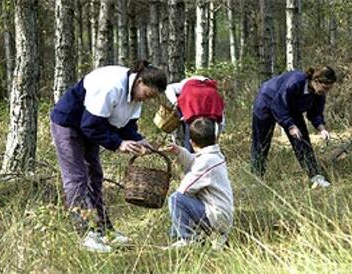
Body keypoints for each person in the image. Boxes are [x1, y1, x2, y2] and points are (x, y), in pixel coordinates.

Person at [50, 60, 167, 253]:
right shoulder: (112, 86)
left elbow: (128, 127)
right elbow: (90, 125)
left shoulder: (135, 97)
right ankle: (85, 233)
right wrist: (118, 144)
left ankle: (105, 231)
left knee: (95, 175)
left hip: (91, 126)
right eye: (147, 94)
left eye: (150, 98)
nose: (145, 100)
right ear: (139, 82)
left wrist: (140, 141)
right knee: (77, 178)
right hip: (69, 123)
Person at [251, 66, 337, 188]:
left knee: (302, 141)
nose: (326, 91)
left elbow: (315, 113)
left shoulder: (319, 93)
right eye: (325, 88)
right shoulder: (295, 82)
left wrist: (322, 129)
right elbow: (278, 104)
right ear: (316, 81)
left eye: (329, 89)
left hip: (292, 109)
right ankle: (256, 178)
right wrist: (290, 125)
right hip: (267, 101)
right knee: (261, 142)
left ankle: (315, 176)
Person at [163, 117, 234, 249]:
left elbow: (184, 190)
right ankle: (213, 237)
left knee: (175, 199)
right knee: (181, 202)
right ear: (215, 138)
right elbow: (196, 161)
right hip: (222, 215)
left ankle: (188, 239)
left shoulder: (206, 162)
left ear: (192, 142)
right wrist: (179, 151)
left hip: (216, 216)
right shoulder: (214, 156)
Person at [164, 76, 225, 151]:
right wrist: (217, 138)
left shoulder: (184, 84)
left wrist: (176, 102)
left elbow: (169, 88)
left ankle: (190, 153)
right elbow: (221, 121)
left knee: (189, 134)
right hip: (209, 108)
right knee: (208, 139)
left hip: (190, 110)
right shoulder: (212, 89)